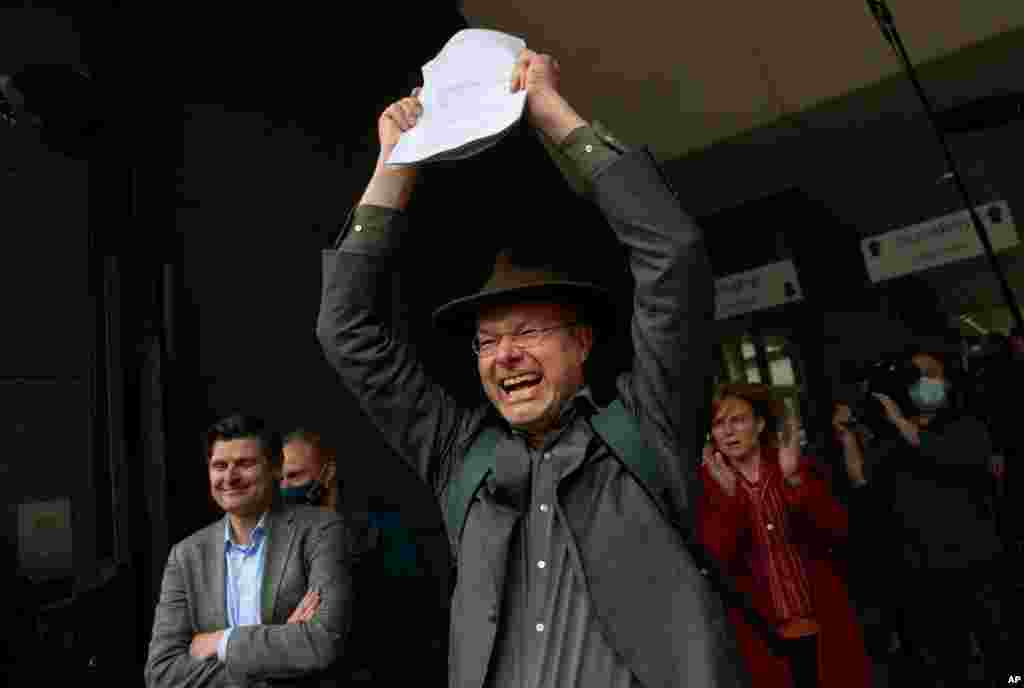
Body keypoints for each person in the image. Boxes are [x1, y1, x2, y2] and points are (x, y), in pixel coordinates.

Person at [317, 48, 745, 688]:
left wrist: (549, 110)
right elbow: (345, 331)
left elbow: (673, 257)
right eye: (487, 343)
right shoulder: (458, 456)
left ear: (582, 344)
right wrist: (394, 164)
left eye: (527, 333)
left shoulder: (645, 428)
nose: (505, 356)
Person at [835, 345, 1011, 686]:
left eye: (932, 375)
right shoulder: (893, 440)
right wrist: (847, 436)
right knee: (950, 661)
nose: (927, 383)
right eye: (918, 377)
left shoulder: (967, 425)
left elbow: (946, 455)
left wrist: (899, 421)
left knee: (1001, 653)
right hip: (927, 573)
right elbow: (860, 480)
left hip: (978, 564)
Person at [145, 414, 353, 687]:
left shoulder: (321, 530)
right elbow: (161, 673)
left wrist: (220, 641)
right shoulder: (186, 556)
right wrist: (273, 652)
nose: (230, 477)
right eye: (219, 465)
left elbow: (322, 641)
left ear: (276, 468)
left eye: (245, 463)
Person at [697, 384, 870, 688]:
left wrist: (793, 481)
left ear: (760, 424)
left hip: (822, 622)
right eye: (718, 424)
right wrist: (728, 499)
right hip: (762, 636)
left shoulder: (791, 465)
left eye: (737, 420)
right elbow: (719, 559)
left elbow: (837, 532)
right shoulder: (708, 484)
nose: (727, 431)